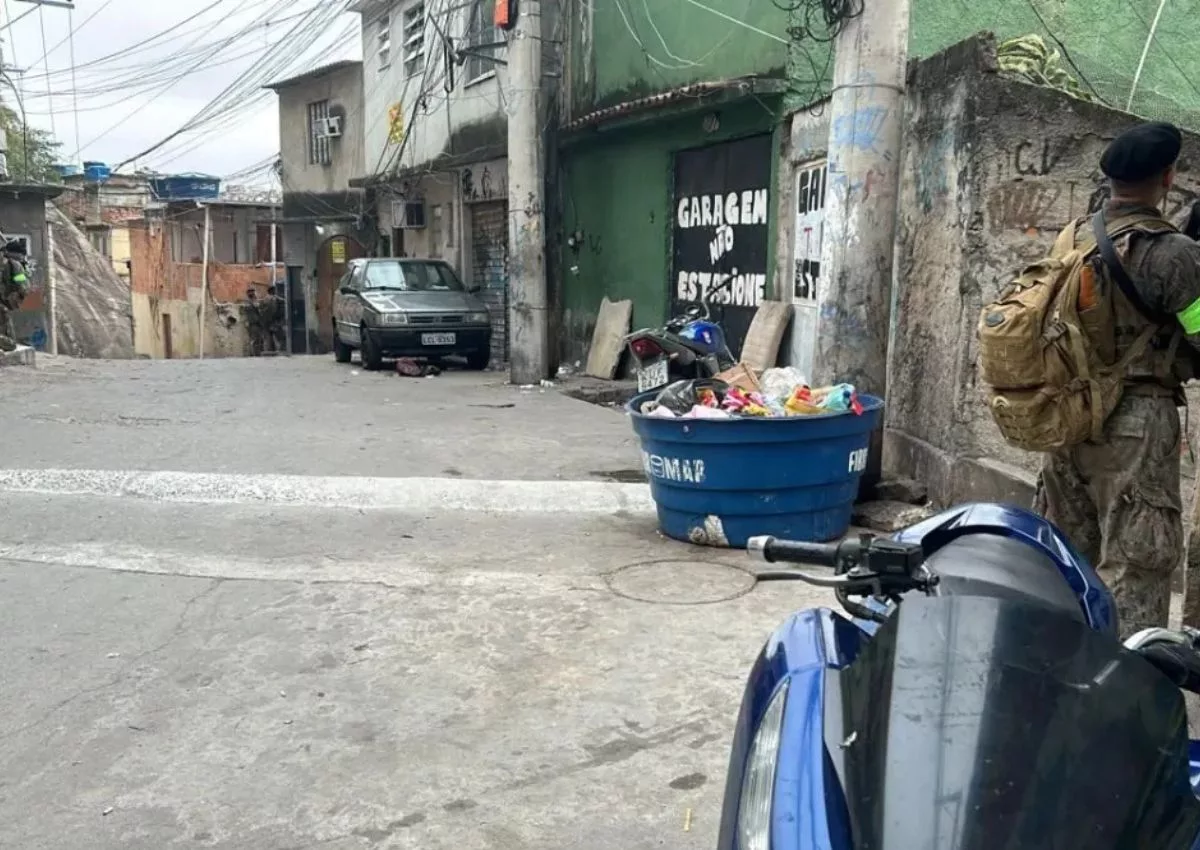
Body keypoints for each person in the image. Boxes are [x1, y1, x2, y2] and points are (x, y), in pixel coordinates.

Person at [1034, 121, 1200, 637]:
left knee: (1064, 557)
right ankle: (1127, 689)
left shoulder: (1074, 236)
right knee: (1135, 562)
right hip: (1135, 421)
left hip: (1069, 413)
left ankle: (1060, 669)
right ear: (1168, 177)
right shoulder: (1173, 254)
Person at [0, 238, 30, 352]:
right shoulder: (14, 266)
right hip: (3, 307)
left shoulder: (13, 266)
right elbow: (23, 287)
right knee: (10, 343)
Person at [244, 287, 265, 356]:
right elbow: (257, 307)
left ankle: (255, 353)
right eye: (251, 292)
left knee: (256, 339)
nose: (253, 293)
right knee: (255, 339)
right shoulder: (250, 301)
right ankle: (254, 354)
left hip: (254, 323)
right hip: (254, 323)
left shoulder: (249, 301)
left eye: (253, 292)